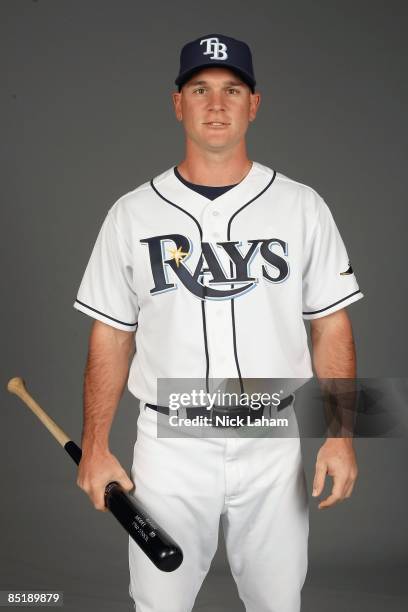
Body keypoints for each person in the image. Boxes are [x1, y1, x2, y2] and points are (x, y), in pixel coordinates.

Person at [74, 33, 363, 612]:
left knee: (279, 604)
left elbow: (331, 326)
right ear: (177, 103)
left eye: (233, 90)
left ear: (254, 104)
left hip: (272, 434)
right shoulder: (132, 212)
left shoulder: (302, 206)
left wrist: (342, 434)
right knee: (159, 604)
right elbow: (111, 333)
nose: (216, 104)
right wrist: (96, 445)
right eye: (199, 89)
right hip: (168, 442)